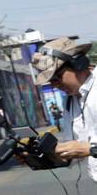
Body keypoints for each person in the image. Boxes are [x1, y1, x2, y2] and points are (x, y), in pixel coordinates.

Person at [30, 37, 97, 178]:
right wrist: (41, 157)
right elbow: (76, 153)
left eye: (57, 78)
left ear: (78, 64)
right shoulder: (70, 102)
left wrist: (91, 149)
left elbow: (87, 149)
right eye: (50, 82)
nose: (55, 85)